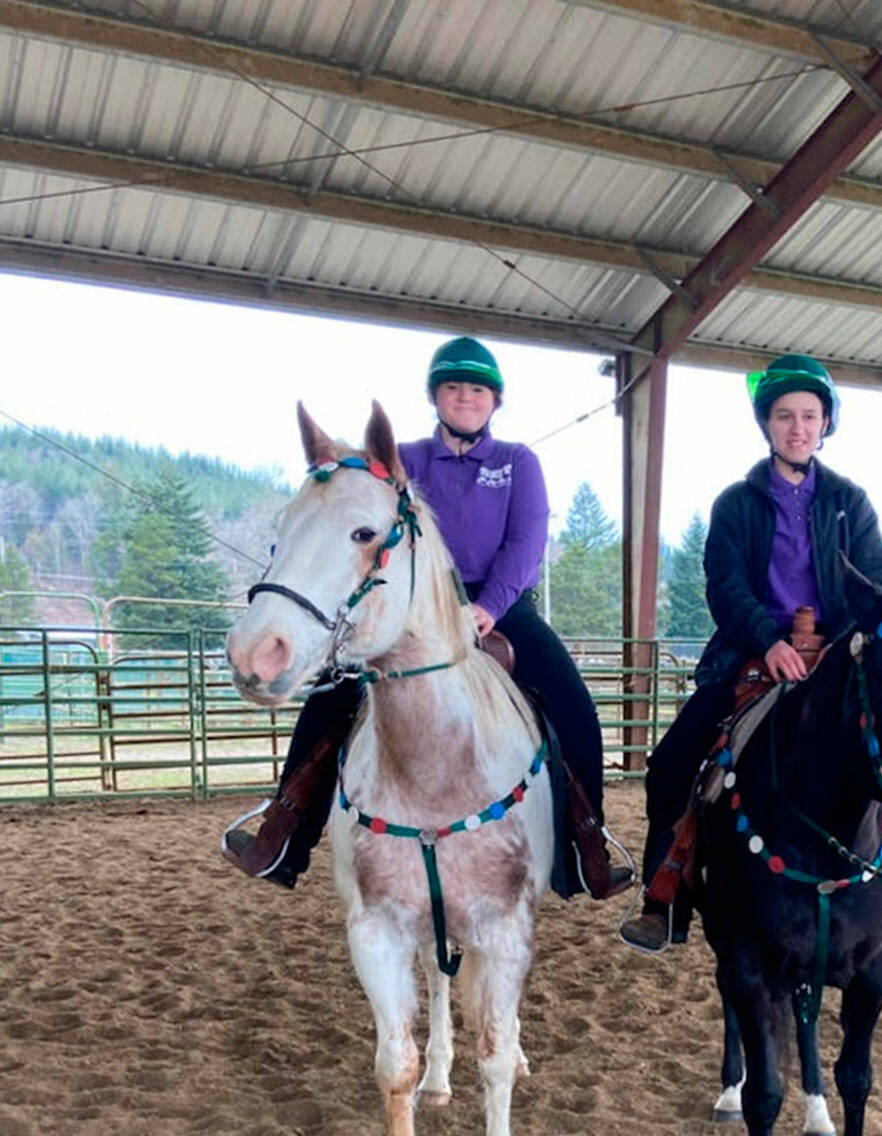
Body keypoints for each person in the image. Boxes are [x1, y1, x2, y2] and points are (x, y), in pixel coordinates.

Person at [222, 335, 632, 899]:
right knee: (332, 696)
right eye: (454, 388)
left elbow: (526, 541)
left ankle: (586, 843)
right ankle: (284, 831)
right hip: (412, 606)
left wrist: (488, 608)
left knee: (573, 705)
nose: (465, 398)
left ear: (495, 402)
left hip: (501, 607)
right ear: (435, 397)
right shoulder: (404, 461)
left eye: (477, 390)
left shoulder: (516, 463)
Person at [618, 353, 882, 956]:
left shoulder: (851, 503)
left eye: (809, 415)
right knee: (675, 762)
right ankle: (662, 894)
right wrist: (770, 641)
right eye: (785, 416)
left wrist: (834, 646)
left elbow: (872, 584)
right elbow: (724, 586)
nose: (798, 427)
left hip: (838, 655)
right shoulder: (735, 504)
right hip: (754, 655)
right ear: (767, 424)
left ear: (826, 423)